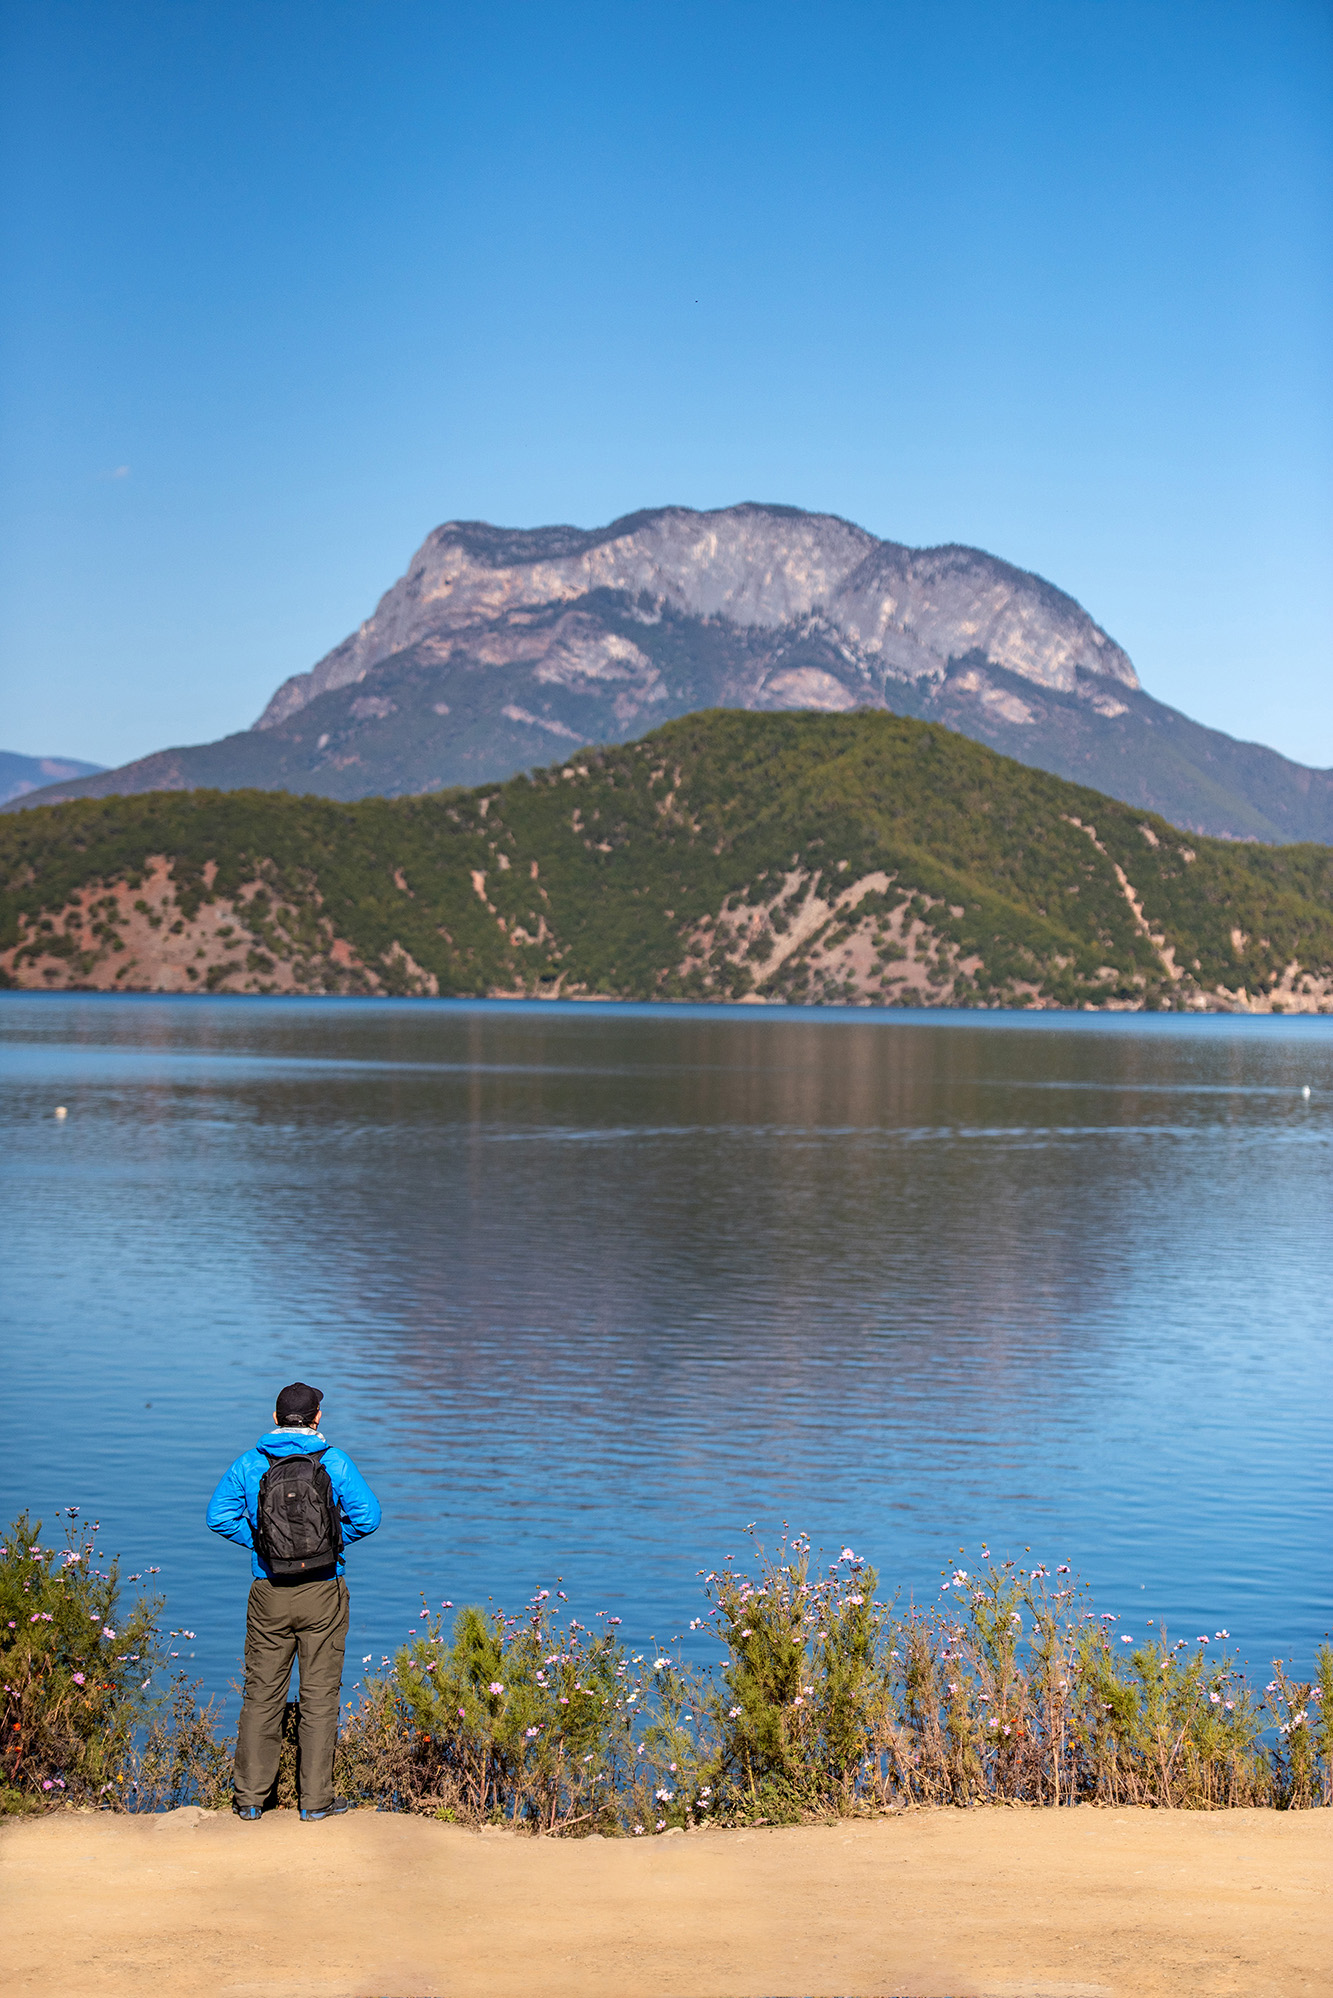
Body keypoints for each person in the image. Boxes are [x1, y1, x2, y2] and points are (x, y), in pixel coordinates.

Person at [206, 1381, 381, 1821]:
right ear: (317, 1418)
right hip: (323, 1590)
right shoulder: (333, 1462)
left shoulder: (250, 1463)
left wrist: (263, 1546)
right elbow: (369, 1517)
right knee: (319, 1698)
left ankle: (250, 1800)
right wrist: (332, 1546)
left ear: (275, 1418)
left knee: (261, 1695)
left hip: (268, 1591)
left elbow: (217, 1517)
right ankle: (315, 1803)